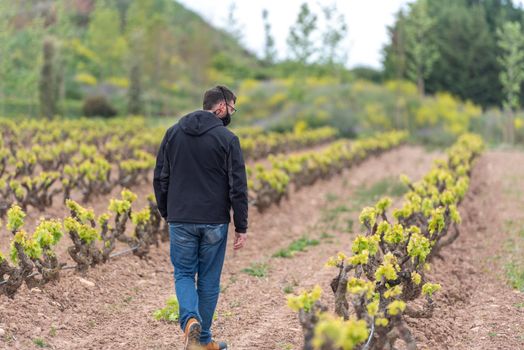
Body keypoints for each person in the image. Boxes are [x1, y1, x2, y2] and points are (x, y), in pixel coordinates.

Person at [153, 85, 248, 350]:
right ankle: (202, 337)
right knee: (208, 280)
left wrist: (167, 211)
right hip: (214, 220)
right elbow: (237, 186)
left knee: (183, 274)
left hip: (181, 218)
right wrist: (242, 225)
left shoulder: (172, 133)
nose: (231, 113)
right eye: (231, 107)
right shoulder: (228, 139)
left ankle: (192, 324)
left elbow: (160, 176)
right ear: (220, 107)